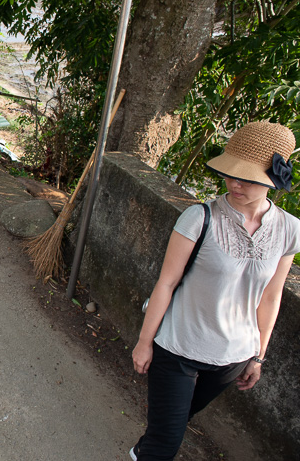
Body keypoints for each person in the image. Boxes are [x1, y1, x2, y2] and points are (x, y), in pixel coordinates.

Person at [129, 121, 300, 461]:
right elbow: (167, 282)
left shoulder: (290, 230)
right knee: (166, 442)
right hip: (177, 348)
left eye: (247, 177)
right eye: (230, 173)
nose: (234, 183)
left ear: (273, 179)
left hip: (233, 358)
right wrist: (144, 342)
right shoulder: (199, 217)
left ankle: (142, 449)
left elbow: (271, 296)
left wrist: (259, 355)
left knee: (176, 420)